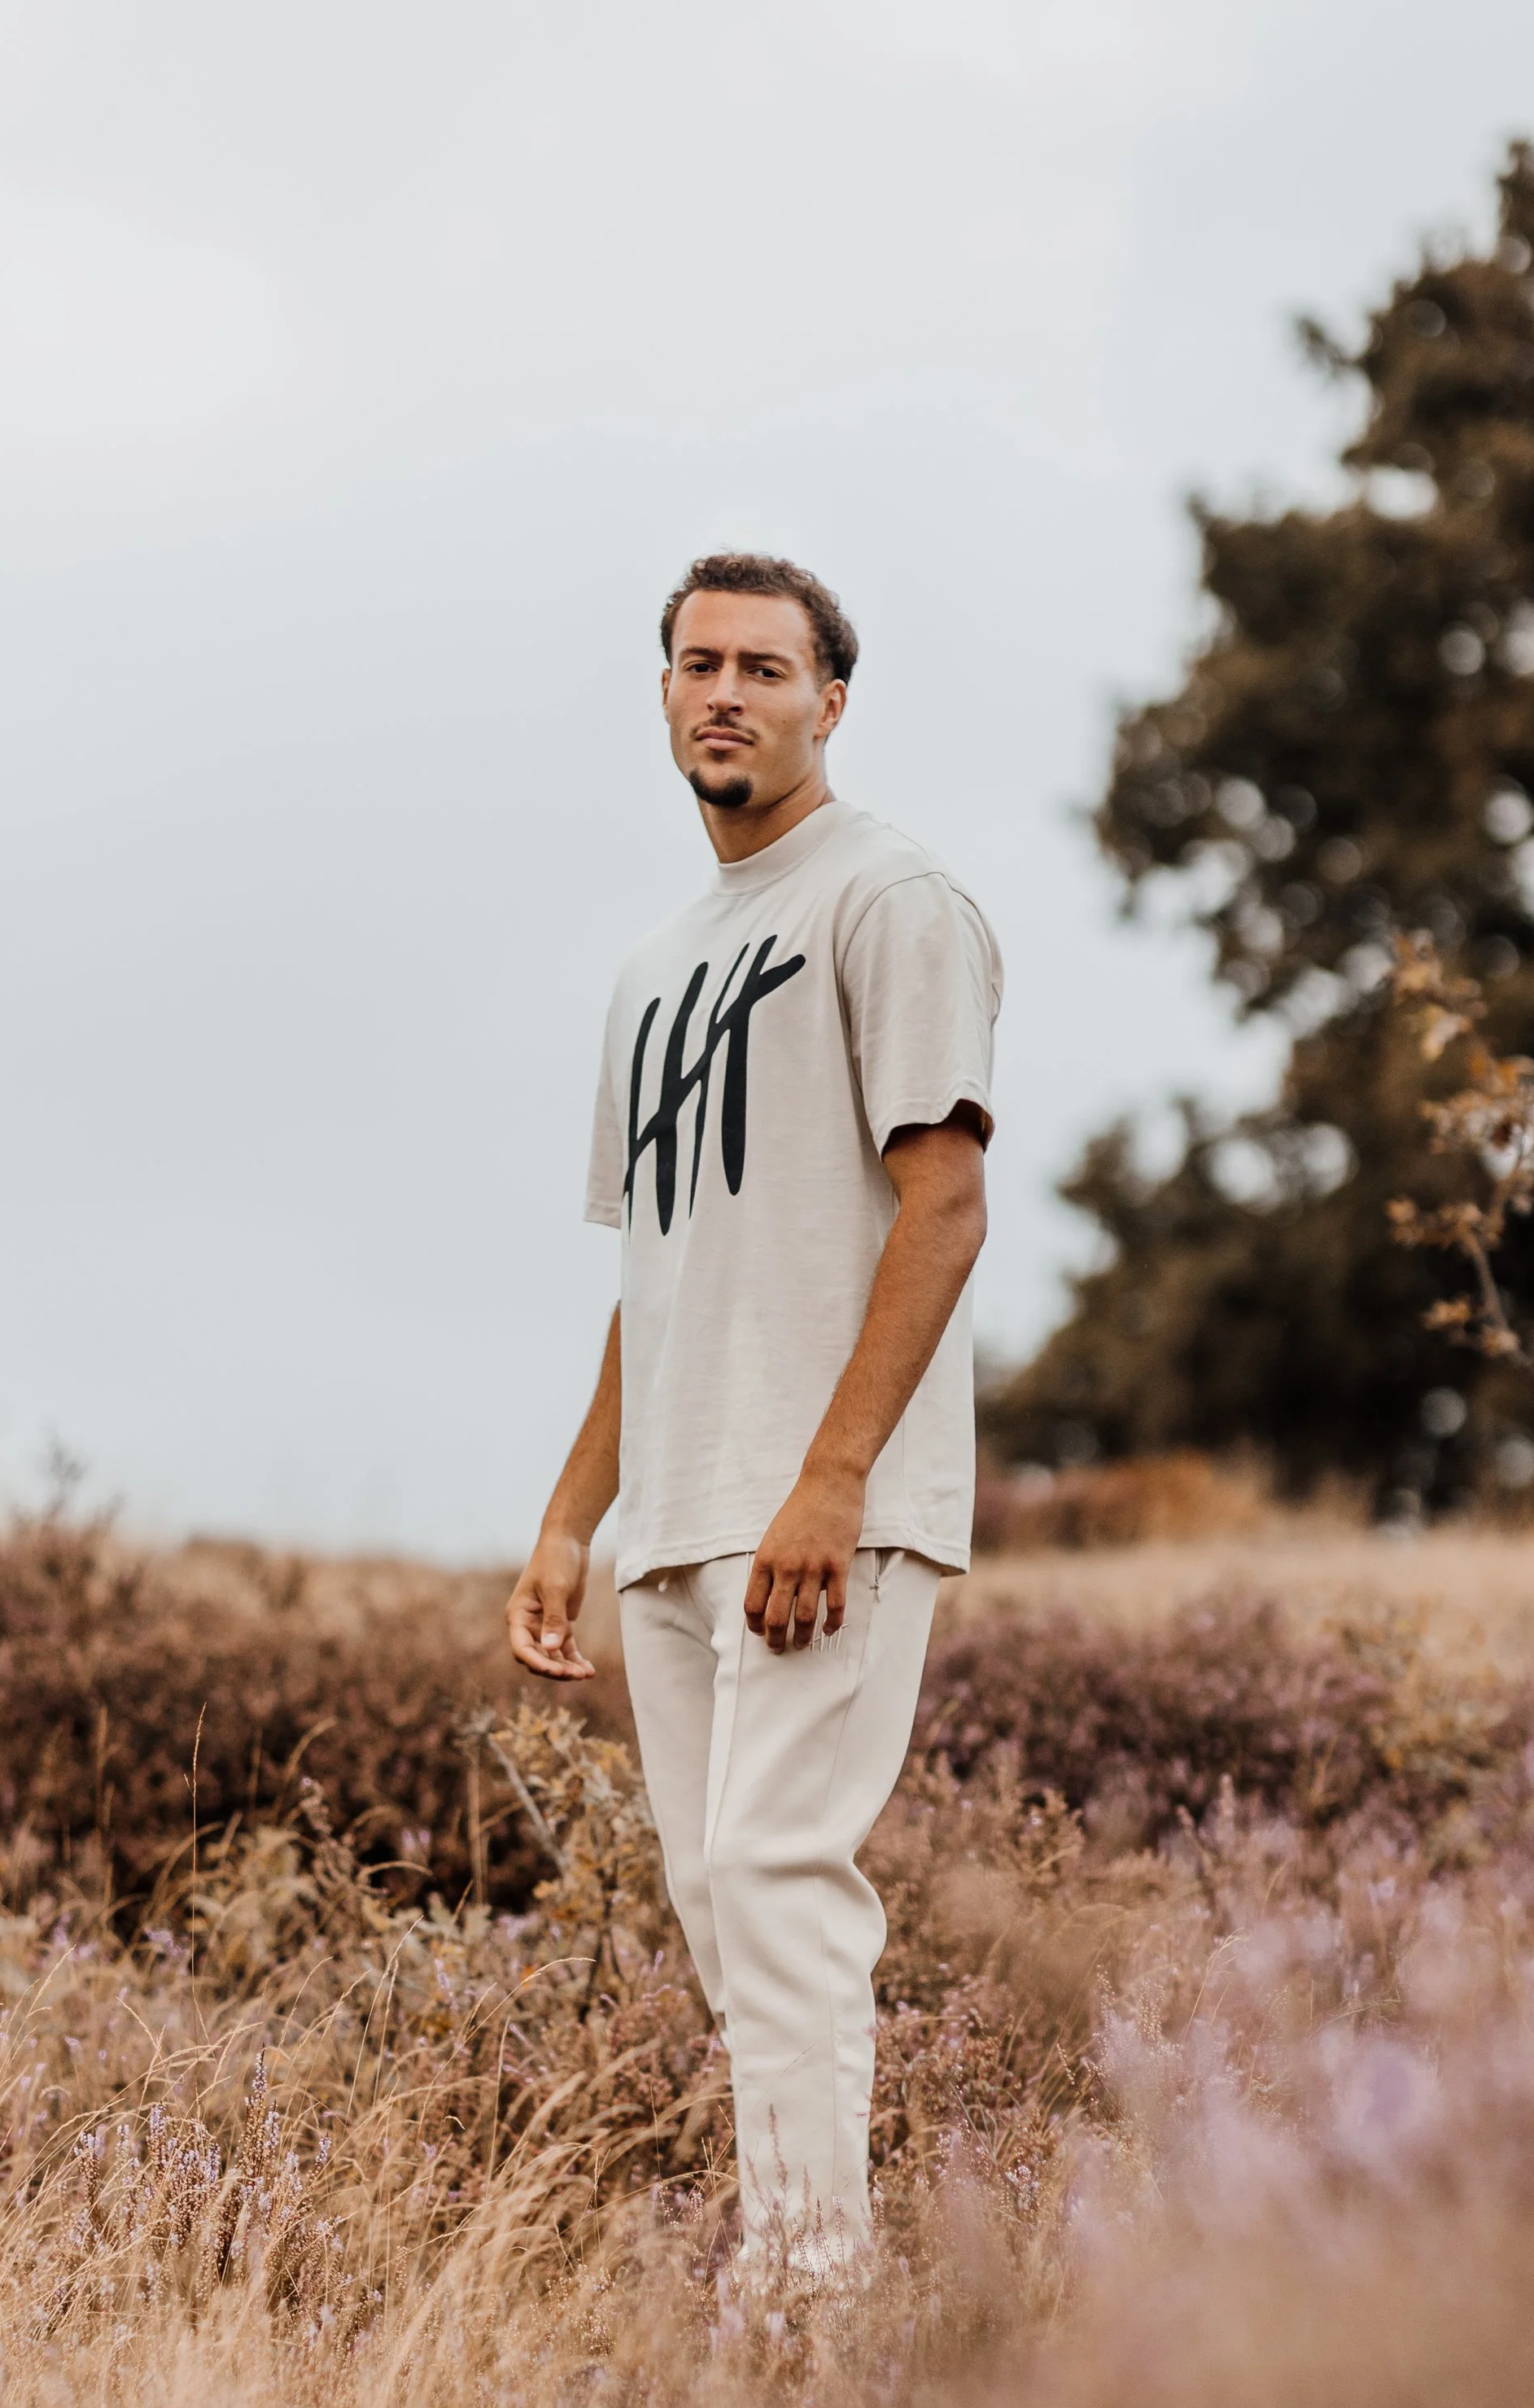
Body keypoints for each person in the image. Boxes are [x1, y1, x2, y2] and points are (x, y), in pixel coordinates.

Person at [505, 549, 1001, 2270]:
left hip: (818, 1509)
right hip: (679, 1515)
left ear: (828, 704)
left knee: (780, 1886)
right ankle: (807, 2262)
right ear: (663, 693)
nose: (725, 692)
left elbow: (946, 1205)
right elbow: (661, 1272)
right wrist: (572, 1520)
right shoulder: (654, 970)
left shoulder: (889, 899)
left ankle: (812, 2310)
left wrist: (832, 1481)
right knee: (726, 1912)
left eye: (764, 669)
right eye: (698, 663)